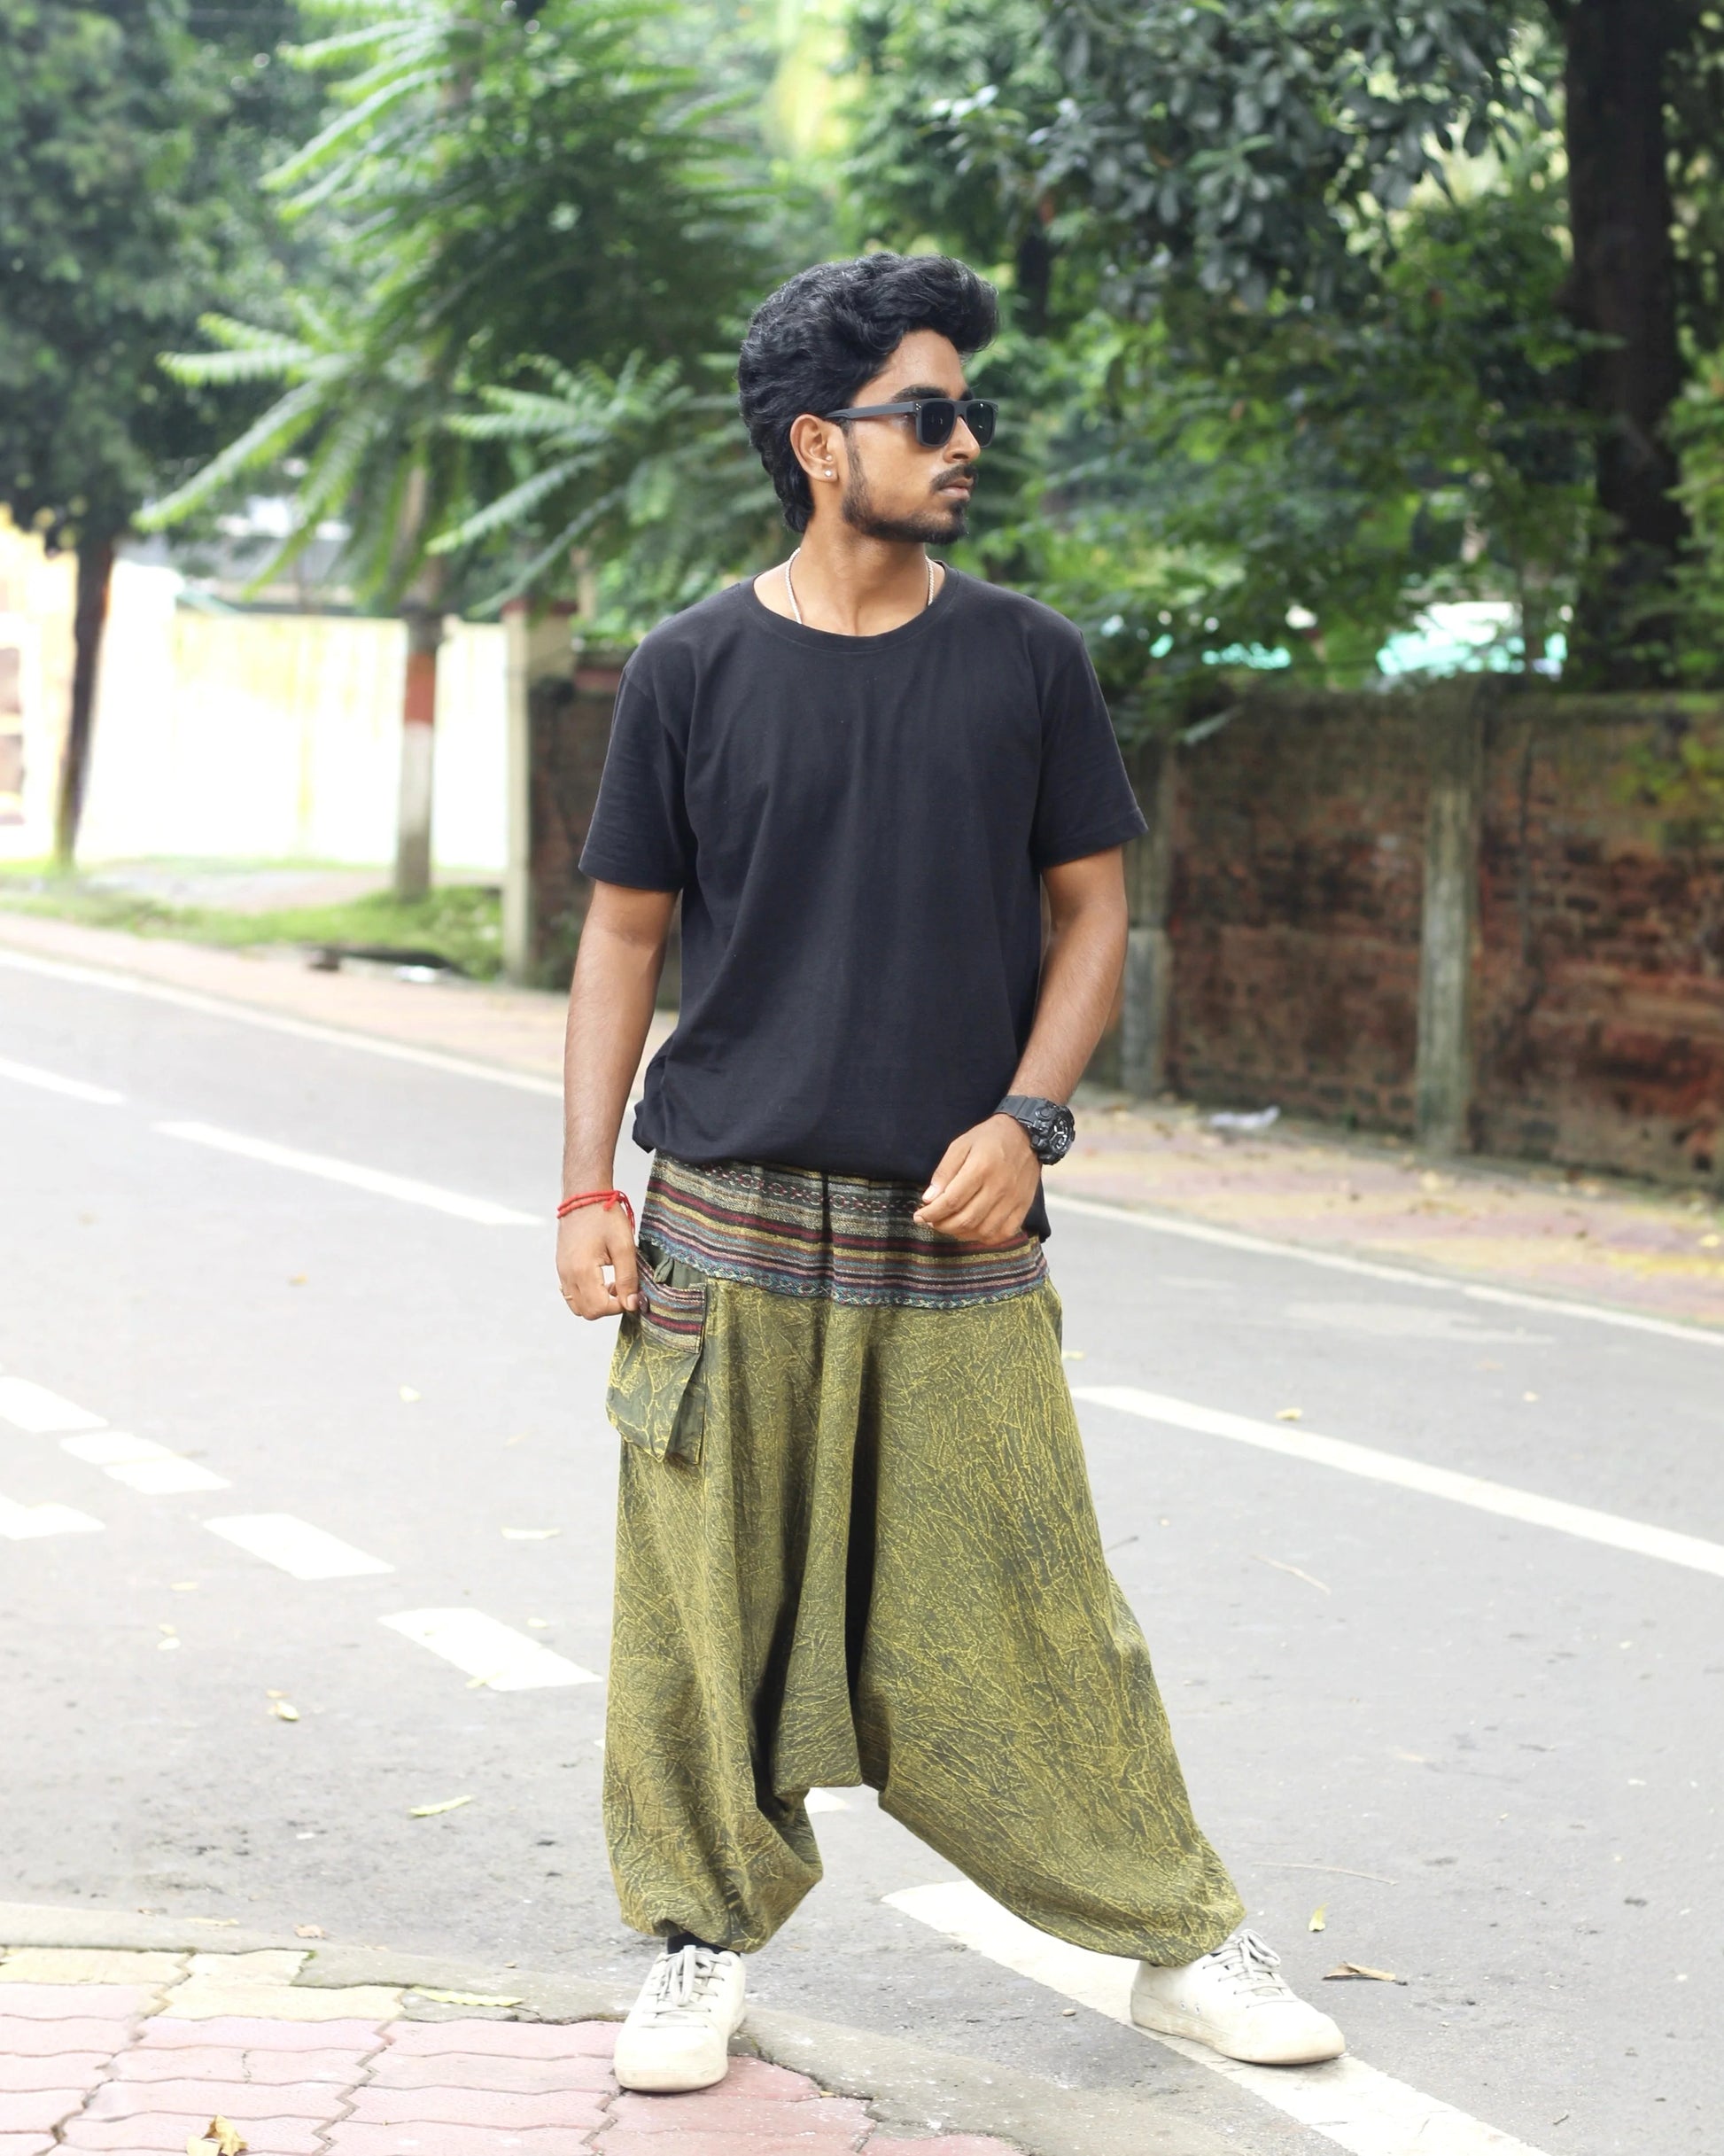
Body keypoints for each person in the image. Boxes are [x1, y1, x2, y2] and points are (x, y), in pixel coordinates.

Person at [556, 252, 1345, 2095]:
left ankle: (1173, 1931)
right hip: (725, 1229)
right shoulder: (688, 667)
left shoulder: (1025, 661)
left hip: (953, 1223)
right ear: (820, 444)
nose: (965, 440)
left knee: (1035, 1602)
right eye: (930, 412)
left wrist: (1031, 1117)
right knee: (701, 1617)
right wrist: (586, 1190)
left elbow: (1094, 915)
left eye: (966, 411)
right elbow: (617, 940)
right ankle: (697, 1941)